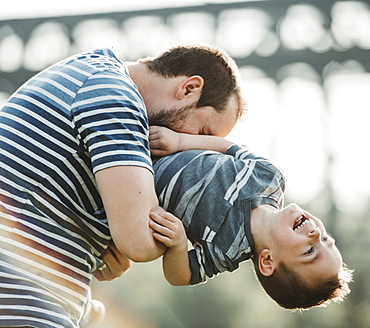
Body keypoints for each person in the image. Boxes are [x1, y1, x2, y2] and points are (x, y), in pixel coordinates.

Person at [0, 43, 245, 327]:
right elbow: (139, 241)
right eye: (203, 132)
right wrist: (173, 242)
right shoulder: (115, 98)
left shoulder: (95, 75)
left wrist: (98, 242)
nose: (191, 151)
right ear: (189, 88)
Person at [148, 126, 353, 310]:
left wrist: (178, 246)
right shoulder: (270, 176)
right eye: (326, 239)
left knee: (142, 249)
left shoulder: (226, 251)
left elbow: (180, 276)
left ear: (267, 260)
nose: (316, 233)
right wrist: (179, 141)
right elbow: (229, 148)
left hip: (141, 185)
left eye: (310, 251)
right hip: (164, 144)